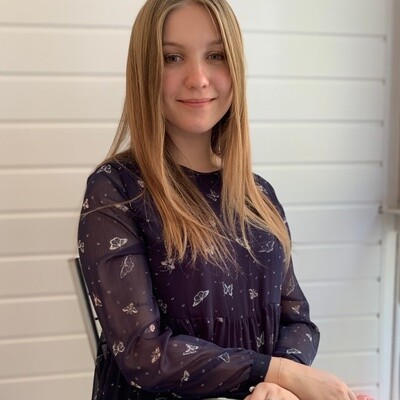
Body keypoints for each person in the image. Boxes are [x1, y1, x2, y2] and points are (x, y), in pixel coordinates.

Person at [77, 1, 360, 399]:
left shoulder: (258, 195)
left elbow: (297, 320)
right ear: (145, 71)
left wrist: (277, 384)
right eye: (172, 57)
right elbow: (144, 353)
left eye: (216, 56)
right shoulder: (115, 190)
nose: (198, 78)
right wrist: (278, 372)